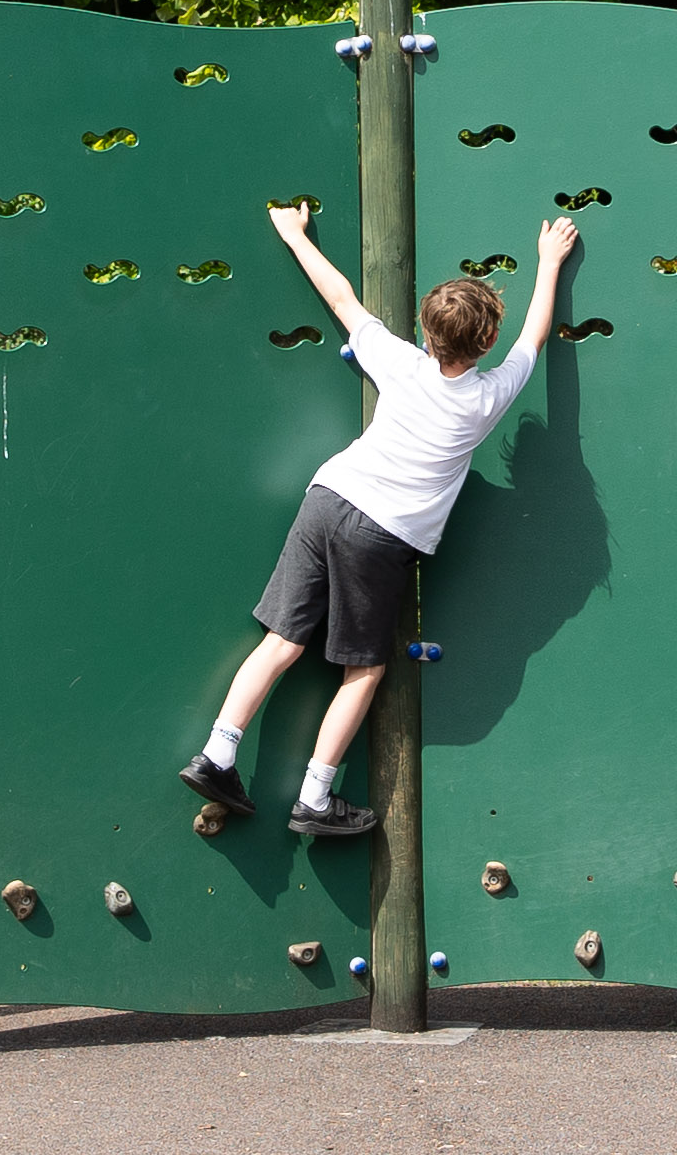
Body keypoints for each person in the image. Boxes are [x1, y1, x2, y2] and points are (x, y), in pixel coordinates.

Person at [184, 198, 584, 840]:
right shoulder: (484, 399)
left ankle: (217, 756)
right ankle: (316, 796)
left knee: (282, 642)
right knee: (363, 668)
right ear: (483, 342)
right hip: (381, 535)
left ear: (427, 333)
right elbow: (534, 338)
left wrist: (294, 235)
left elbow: (342, 299)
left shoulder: (399, 363)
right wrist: (549, 263)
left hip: (328, 497)